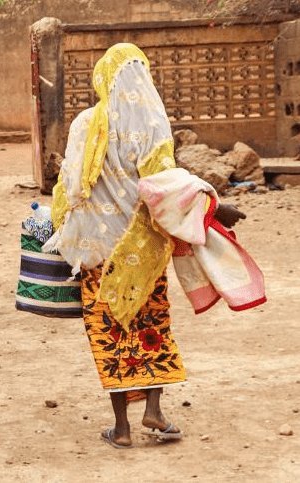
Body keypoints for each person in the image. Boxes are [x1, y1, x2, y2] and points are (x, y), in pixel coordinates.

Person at [46, 43, 265, 449]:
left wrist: (64, 230)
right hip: (141, 248)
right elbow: (166, 185)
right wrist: (213, 204)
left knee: (109, 330)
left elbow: (66, 187)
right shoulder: (150, 123)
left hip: (96, 249)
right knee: (152, 325)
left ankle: (122, 428)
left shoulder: (83, 125)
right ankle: (155, 411)